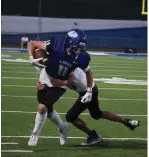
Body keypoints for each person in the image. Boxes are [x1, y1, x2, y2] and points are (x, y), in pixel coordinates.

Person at [34, 67, 140, 146]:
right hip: (90, 90)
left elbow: (62, 83)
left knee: (70, 116)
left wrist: (45, 86)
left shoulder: (72, 76)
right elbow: (58, 80)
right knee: (97, 114)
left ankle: (93, 136)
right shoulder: (68, 69)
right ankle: (127, 121)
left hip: (88, 92)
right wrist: (44, 84)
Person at [27, 29, 94, 146]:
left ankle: (35, 134)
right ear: (69, 42)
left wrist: (89, 90)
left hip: (61, 82)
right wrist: (31, 58)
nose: (79, 49)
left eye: (81, 47)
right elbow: (31, 44)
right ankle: (63, 127)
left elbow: (88, 72)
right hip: (46, 77)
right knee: (48, 111)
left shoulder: (82, 57)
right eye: (77, 46)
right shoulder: (56, 44)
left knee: (42, 108)